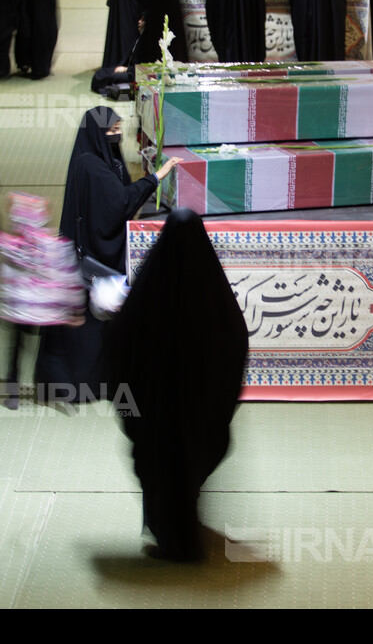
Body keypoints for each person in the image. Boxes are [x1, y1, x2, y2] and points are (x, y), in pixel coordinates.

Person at [108, 208, 249, 561]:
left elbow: (118, 354)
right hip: (200, 422)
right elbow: (235, 348)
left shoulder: (148, 297)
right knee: (186, 471)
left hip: (153, 421)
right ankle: (183, 533)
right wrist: (219, 409)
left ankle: (173, 538)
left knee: (160, 472)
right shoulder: (214, 302)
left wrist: (129, 414)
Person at [34, 108, 180, 403]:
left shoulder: (103, 160)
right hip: (93, 257)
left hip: (97, 251)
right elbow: (119, 203)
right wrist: (155, 178)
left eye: (118, 129)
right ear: (98, 133)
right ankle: (81, 385)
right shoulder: (91, 165)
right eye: (111, 130)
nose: (117, 135)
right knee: (92, 322)